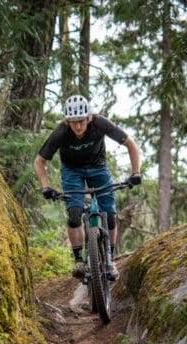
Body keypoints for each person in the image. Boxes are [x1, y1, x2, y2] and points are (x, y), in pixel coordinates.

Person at [33, 94, 142, 280]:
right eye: (73, 122)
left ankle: (110, 260)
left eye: (81, 121)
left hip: (98, 168)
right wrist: (46, 186)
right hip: (71, 171)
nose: (77, 126)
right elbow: (39, 161)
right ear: (67, 121)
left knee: (109, 214)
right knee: (74, 213)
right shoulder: (61, 132)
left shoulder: (100, 123)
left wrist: (136, 172)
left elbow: (130, 144)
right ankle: (78, 260)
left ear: (89, 117)